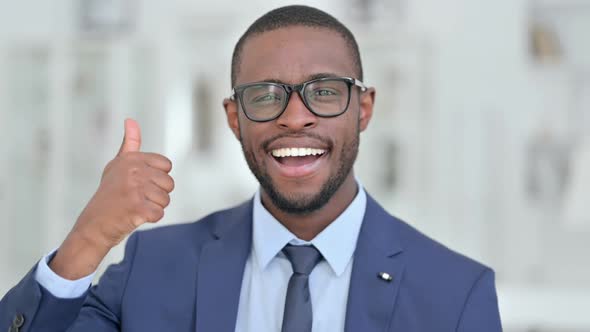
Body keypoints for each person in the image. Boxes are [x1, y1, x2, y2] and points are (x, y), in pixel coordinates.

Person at [0, 5, 502, 332]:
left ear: (364, 108)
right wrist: (87, 239)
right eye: (265, 96)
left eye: (324, 91)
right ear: (235, 119)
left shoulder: (455, 294)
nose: (295, 116)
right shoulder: (152, 267)